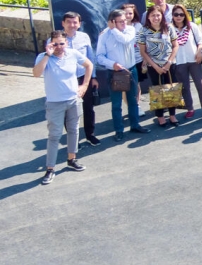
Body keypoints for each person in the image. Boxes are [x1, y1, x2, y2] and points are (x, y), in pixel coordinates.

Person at [34, 31, 94, 184]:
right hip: (54, 103)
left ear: (66, 43)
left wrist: (85, 85)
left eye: (62, 43)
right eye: (55, 44)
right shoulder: (43, 57)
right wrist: (47, 55)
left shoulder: (73, 54)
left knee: (73, 130)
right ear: (50, 44)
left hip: (73, 100)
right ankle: (50, 169)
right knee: (54, 136)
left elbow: (89, 65)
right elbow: (36, 73)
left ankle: (71, 159)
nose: (59, 47)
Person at [96, 9, 149, 140]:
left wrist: (114, 29)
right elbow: (99, 57)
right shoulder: (104, 35)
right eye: (121, 21)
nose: (125, 23)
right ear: (112, 22)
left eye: (125, 20)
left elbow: (125, 40)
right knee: (116, 104)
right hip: (115, 72)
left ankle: (135, 125)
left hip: (131, 70)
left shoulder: (130, 30)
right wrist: (112, 64)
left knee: (133, 100)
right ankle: (119, 130)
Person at [56, 12, 100, 144]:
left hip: (83, 78)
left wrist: (93, 77)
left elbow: (90, 58)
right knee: (69, 111)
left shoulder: (84, 37)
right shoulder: (55, 39)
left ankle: (90, 135)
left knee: (88, 108)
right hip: (65, 80)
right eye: (68, 22)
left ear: (79, 24)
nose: (72, 25)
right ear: (63, 23)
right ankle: (73, 140)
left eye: (75, 22)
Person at [170, 5, 202, 120]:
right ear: (172, 16)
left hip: (194, 59)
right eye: (176, 14)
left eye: (181, 14)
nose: (179, 17)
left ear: (185, 15)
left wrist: (199, 51)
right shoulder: (169, 29)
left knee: (201, 86)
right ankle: (190, 109)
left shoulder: (191, 26)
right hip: (179, 61)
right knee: (184, 87)